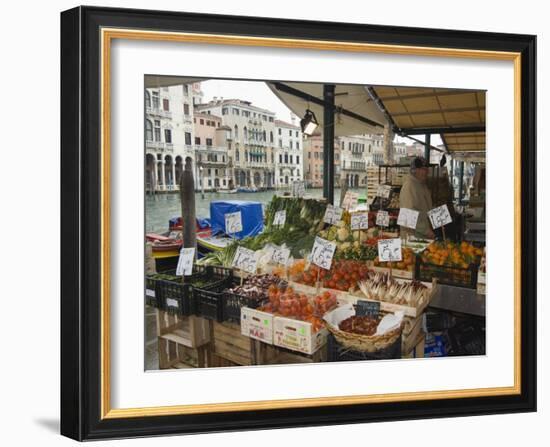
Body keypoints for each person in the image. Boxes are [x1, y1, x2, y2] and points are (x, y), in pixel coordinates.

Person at [399, 157, 434, 239]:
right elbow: (408, 214)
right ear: (414, 170)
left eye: (426, 169)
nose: (426, 171)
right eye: (423, 169)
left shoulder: (422, 185)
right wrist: (426, 230)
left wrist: (436, 220)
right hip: (413, 236)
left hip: (422, 234)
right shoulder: (409, 186)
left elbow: (427, 207)